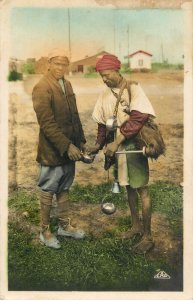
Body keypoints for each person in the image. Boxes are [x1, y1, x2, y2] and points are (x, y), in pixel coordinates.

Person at [89, 54, 156, 254]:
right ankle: (136, 226)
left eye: (107, 75)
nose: (104, 79)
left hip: (135, 146)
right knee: (127, 187)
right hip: (118, 149)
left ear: (117, 71)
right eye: (101, 76)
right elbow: (102, 124)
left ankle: (148, 236)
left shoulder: (133, 89)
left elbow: (138, 118)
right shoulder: (104, 95)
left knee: (141, 189)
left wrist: (117, 141)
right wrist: (99, 145)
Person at [32, 48, 86, 249]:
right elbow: (47, 124)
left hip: (70, 148)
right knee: (48, 188)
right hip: (52, 150)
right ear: (49, 63)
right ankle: (44, 231)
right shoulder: (42, 87)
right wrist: (67, 146)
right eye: (57, 63)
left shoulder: (68, 84)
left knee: (64, 187)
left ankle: (64, 226)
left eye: (64, 64)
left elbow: (74, 114)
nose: (60, 68)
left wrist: (80, 140)